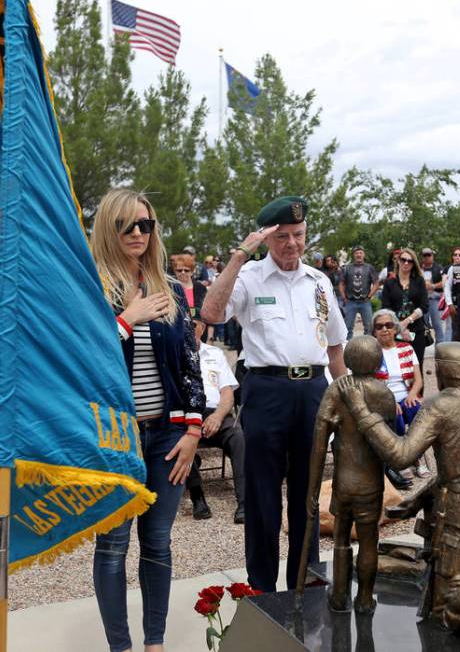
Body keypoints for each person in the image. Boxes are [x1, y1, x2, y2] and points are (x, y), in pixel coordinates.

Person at [336, 342, 460, 648]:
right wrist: (418, 500)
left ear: (442, 372)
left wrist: (361, 410)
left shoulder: (441, 405)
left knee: (450, 601)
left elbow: (400, 455)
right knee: (454, 570)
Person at [201, 195, 348, 593]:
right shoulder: (248, 276)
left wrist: (347, 393)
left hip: (314, 390)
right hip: (267, 390)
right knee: (264, 496)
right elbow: (211, 314)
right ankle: (262, 591)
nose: (291, 245)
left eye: (298, 235)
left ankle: (306, 584)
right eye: (281, 237)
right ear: (266, 240)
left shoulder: (319, 282)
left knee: (308, 494)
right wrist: (237, 257)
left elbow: (335, 344)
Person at [89, 188, 205, 652]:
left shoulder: (170, 288)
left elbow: (190, 363)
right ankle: (121, 646)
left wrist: (194, 429)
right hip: (113, 437)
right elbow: (81, 361)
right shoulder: (90, 286)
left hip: (168, 434)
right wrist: (125, 320)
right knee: (113, 546)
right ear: (108, 229)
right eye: (127, 225)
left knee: (157, 542)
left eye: (146, 225)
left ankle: (154, 642)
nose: (138, 233)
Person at [305, 335, 395, 614]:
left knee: (341, 538)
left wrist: (313, 490)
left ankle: (340, 594)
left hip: (344, 481)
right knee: (369, 540)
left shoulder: (337, 391)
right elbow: (390, 441)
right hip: (370, 481)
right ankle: (365, 598)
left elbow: (318, 447)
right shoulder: (385, 394)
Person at [183, 315, 247, 524]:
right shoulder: (175, 353)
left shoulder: (215, 353)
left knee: (239, 437)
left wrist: (218, 416)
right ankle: (197, 498)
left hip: (216, 413)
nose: (188, 328)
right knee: (179, 438)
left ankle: (245, 503)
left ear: (201, 327)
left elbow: (227, 393)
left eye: (192, 324)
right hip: (188, 416)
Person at [371, 309, 427, 481]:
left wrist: (412, 394)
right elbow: (370, 385)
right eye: (379, 326)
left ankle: (415, 457)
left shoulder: (407, 348)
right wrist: (388, 401)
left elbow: (418, 380)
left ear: (395, 328)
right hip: (383, 399)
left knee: (418, 413)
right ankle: (401, 461)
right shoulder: (372, 353)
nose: (385, 329)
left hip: (406, 396)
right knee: (396, 417)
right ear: (374, 331)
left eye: (389, 325)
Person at [379, 247, 429, 366]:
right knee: (398, 368)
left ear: (413, 264)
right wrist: (400, 327)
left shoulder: (419, 281)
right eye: (403, 259)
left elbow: (424, 306)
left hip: (417, 330)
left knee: (417, 368)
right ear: (398, 261)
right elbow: (386, 308)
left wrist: (407, 321)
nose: (406, 263)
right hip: (395, 331)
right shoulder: (389, 283)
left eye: (410, 261)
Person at [340, 246, 379, 340]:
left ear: (364, 255)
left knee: (369, 327)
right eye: (356, 253)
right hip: (350, 301)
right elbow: (341, 283)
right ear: (354, 255)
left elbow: (376, 283)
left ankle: (367, 347)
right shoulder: (347, 268)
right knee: (347, 327)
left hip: (365, 301)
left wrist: (370, 296)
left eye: (360, 253)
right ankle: (347, 348)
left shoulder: (369, 268)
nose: (359, 255)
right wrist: (343, 297)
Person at [441, 247, 460, 342]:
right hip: (455, 303)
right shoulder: (453, 268)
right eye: (455, 255)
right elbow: (446, 286)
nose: (457, 257)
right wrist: (449, 303)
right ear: (452, 256)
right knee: (452, 329)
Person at [420, 248, 445, 345]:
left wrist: (433, 286)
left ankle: (440, 349)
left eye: (428, 255)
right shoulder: (418, 268)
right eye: (424, 255)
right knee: (422, 325)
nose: (427, 257)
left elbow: (444, 282)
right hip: (422, 299)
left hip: (434, 299)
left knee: (437, 325)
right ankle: (422, 346)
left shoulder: (439, 268)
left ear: (432, 256)